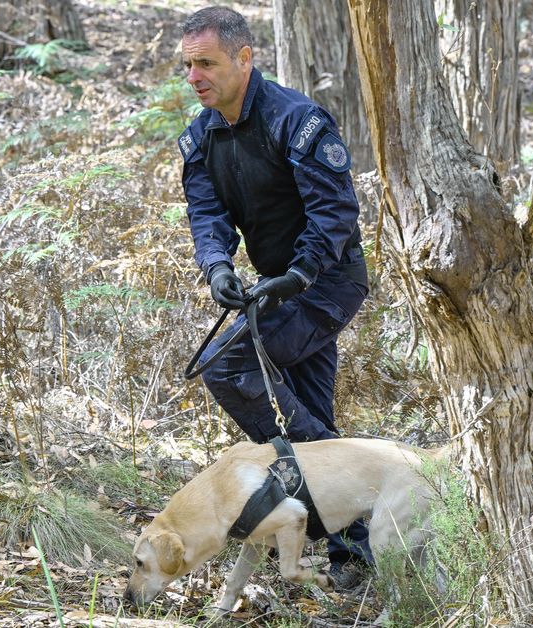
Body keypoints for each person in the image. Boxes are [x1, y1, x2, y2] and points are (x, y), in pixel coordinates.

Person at [175, 7, 371, 586]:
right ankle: (355, 555)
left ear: (244, 59)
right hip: (274, 289)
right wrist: (217, 268)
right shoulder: (200, 136)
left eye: (206, 63)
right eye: (187, 65)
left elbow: (335, 212)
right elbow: (207, 215)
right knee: (311, 412)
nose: (194, 76)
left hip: (328, 281)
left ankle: (316, 481)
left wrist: (300, 274)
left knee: (228, 365)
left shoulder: (297, 119)